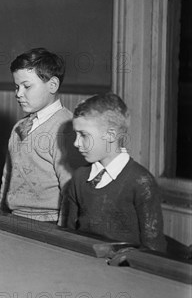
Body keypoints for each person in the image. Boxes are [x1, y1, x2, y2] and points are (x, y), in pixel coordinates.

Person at [62, 93, 167, 252]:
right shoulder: (79, 178)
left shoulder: (141, 181)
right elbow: (68, 235)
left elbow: (154, 249)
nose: (76, 143)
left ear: (110, 135)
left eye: (83, 135)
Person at [0, 47, 84, 223]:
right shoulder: (18, 128)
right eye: (16, 86)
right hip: (15, 217)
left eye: (27, 86)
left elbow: (71, 190)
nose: (18, 93)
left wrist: (64, 232)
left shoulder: (66, 129)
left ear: (52, 85)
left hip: (49, 222)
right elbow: (7, 178)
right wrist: (2, 214)